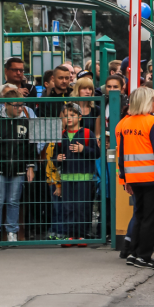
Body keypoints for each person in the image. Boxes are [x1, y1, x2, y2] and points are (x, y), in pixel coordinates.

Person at [116, 87, 154, 269]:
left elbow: (122, 155)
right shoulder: (153, 123)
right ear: (146, 102)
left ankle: (134, 254)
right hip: (152, 178)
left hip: (134, 179)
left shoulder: (126, 124)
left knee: (141, 216)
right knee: (150, 219)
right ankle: (144, 256)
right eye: (153, 100)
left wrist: (125, 178)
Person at [0, 85, 37, 243]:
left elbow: (31, 146)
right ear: (5, 105)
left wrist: (30, 166)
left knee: (13, 200)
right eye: (16, 105)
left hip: (18, 167)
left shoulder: (25, 121)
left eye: (21, 105)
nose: (19, 108)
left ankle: (12, 232)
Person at [54, 102, 100, 241]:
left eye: (72, 115)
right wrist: (58, 159)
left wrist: (83, 150)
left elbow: (96, 153)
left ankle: (82, 234)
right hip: (67, 177)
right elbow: (55, 156)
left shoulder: (87, 133)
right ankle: (70, 234)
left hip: (84, 178)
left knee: (82, 207)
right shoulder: (61, 135)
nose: (69, 118)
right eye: (66, 115)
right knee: (68, 207)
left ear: (80, 117)